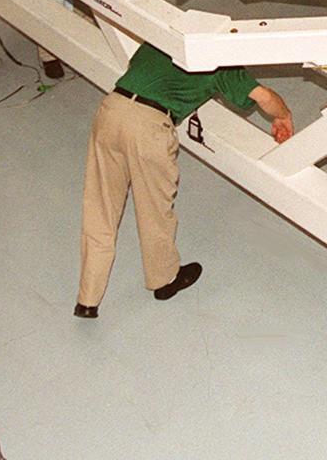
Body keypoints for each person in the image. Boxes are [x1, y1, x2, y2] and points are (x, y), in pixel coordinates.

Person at [75, 43, 294, 318]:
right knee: (154, 211)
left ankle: (87, 300)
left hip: (111, 110)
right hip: (150, 127)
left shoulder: (162, 39)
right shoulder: (220, 60)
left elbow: (142, 67)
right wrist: (283, 114)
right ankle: (164, 280)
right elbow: (263, 97)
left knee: (100, 208)